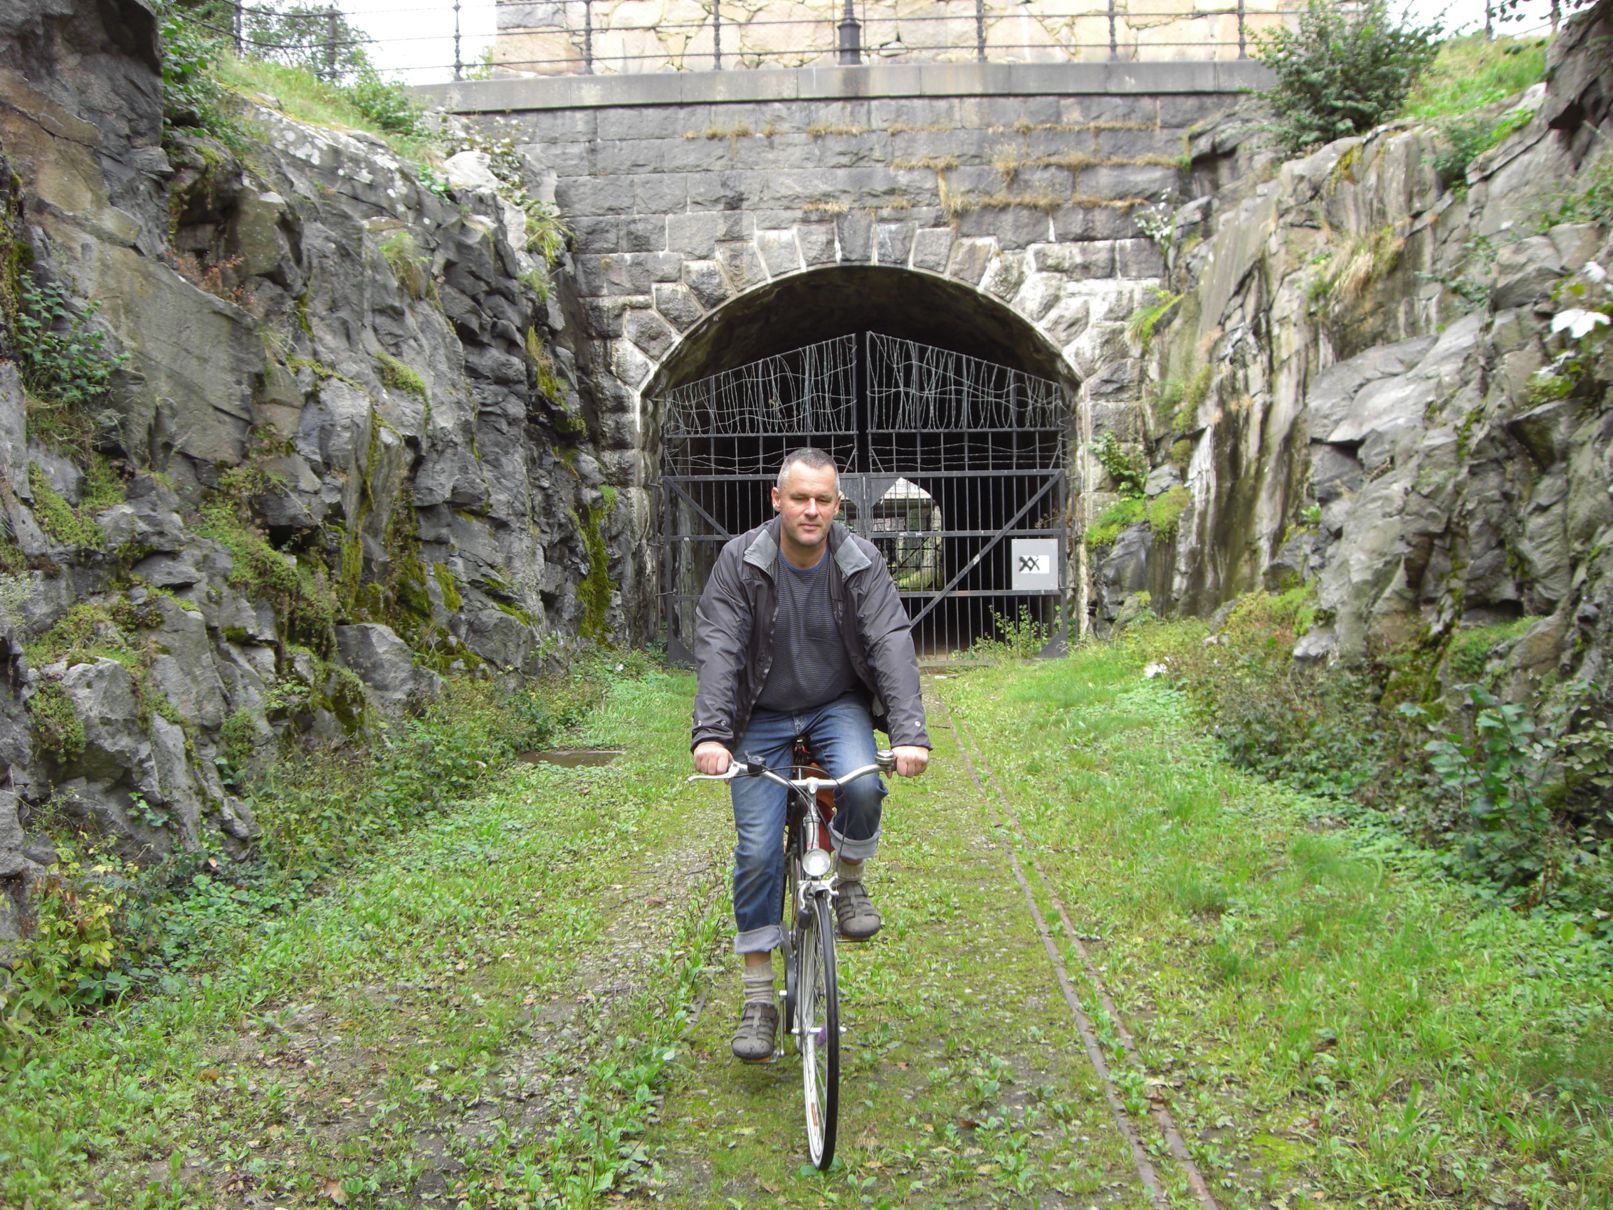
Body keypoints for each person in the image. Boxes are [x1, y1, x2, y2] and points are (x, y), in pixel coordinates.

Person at [692, 447, 931, 1063]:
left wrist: (907, 732)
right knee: (755, 850)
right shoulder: (739, 562)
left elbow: (889, 640)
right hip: (760, 716)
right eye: (799, 498)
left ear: (837, 505)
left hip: (833, 705)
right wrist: (713, 734)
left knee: (860, 786)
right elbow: (720, 646)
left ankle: (848, 881)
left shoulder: (859, 560)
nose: (811, 510)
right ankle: (757, 999)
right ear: (777, 500)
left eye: (823, 500)